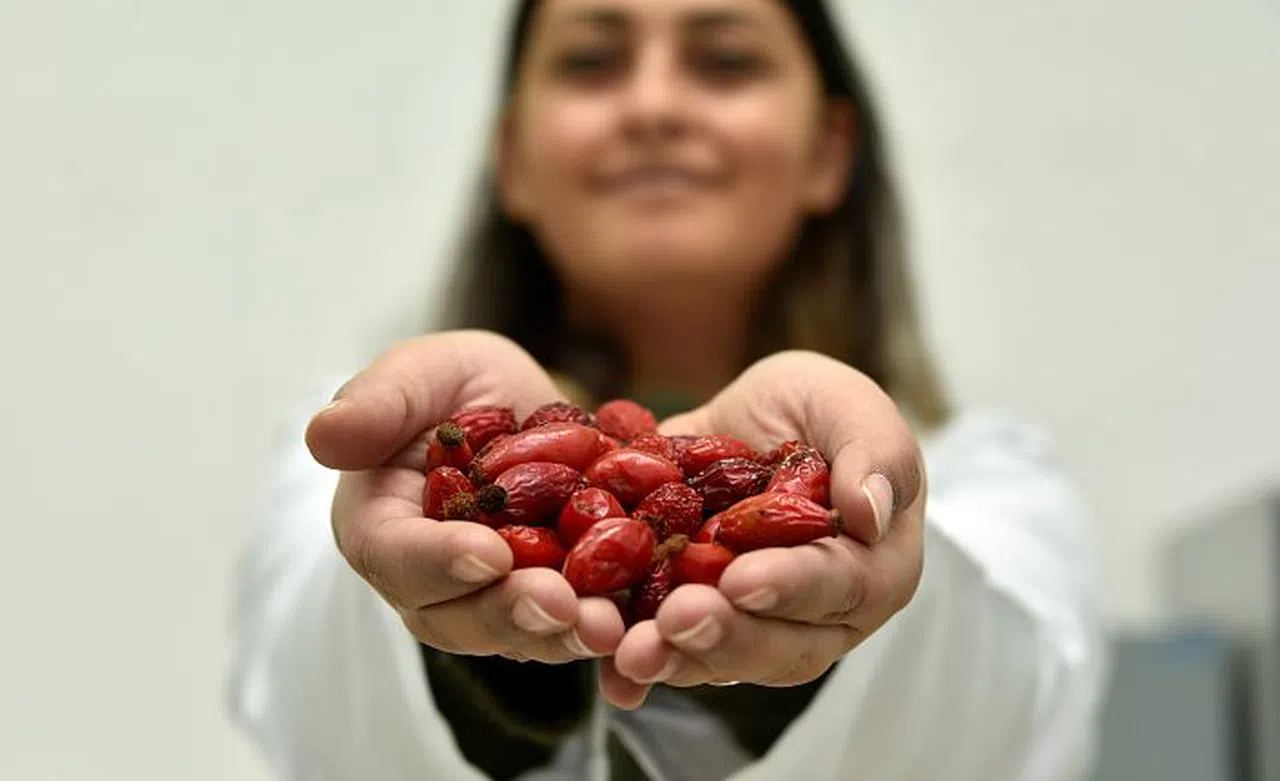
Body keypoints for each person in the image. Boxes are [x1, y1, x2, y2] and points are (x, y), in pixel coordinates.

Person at [227, 1, 1110, 779]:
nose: (653, 106)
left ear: (829, 153)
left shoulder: (994, 478)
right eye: (591, 62)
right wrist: (485, 640)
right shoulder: (369, 462)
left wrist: (798, 638)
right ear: (514, 161)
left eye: (726, 60)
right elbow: (314, 703)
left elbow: (1009, 724)